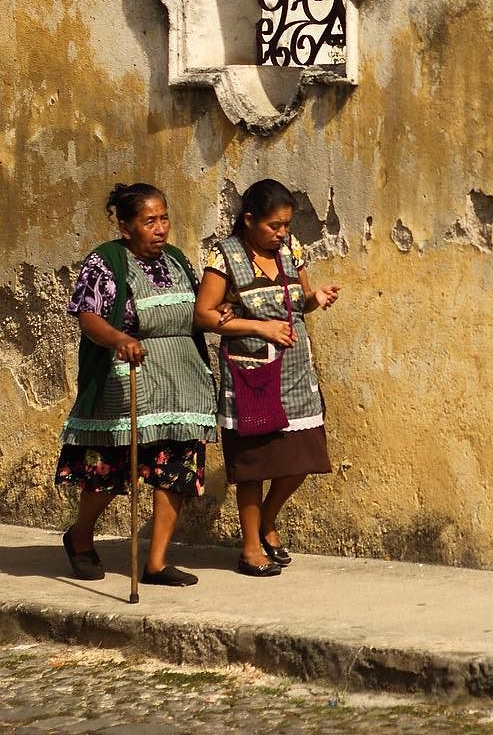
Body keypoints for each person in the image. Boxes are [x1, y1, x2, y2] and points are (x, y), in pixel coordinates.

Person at [56, 183, 218, 586]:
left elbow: (197, 311)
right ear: (126, 226)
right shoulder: (105, 261)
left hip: (182, 383)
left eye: (164, 219)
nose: (161, 228)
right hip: (128, 383)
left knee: (175, 472)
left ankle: (157, 563)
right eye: (150, 221)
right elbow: (88, 316)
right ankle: (79, 538)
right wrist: (120, 339)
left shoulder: (178, 261)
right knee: (109, 472)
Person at [195, 179, 341, 577]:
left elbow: (301, 302)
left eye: (286, 226)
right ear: (249, 221)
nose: (281, 234)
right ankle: (249, 547)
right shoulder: (224, 256)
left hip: (294, 372)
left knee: (304, 456)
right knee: (254, 464)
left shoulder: (291, 251)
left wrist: (318, 299)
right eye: (273, 226)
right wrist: (259, 328)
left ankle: (267, 521)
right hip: (251, 375)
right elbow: (205, 314)